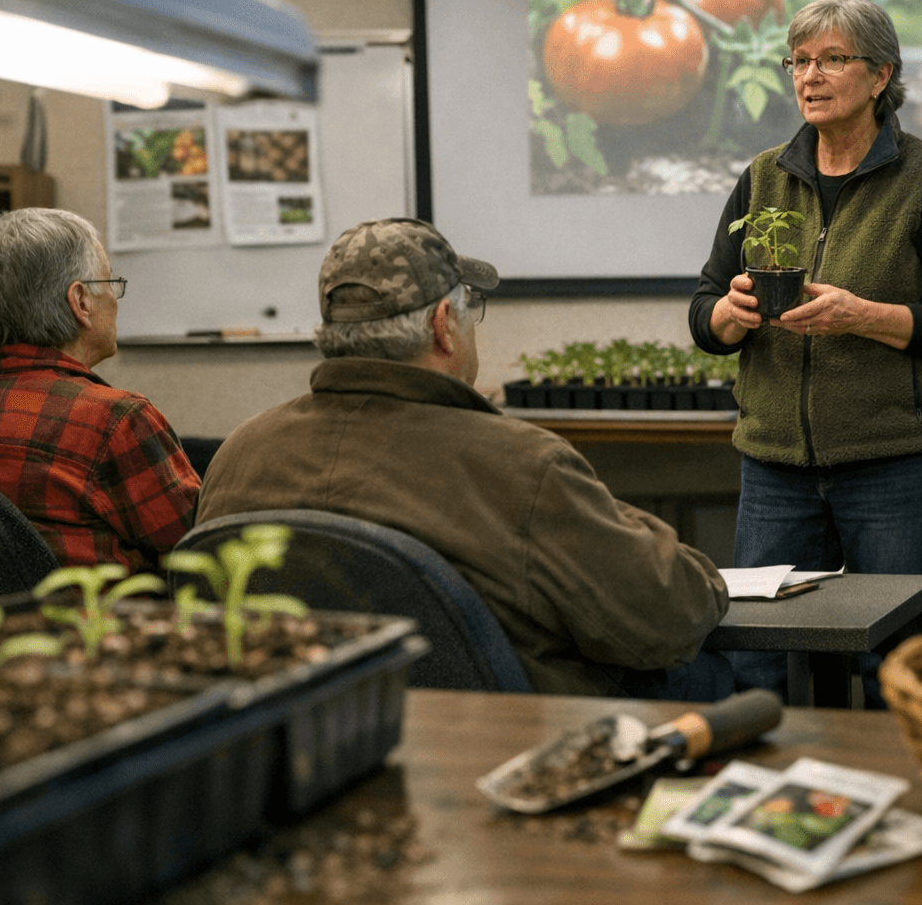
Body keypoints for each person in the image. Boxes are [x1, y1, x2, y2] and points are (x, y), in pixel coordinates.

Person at [197, 217, 732, 698]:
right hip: (510, 750)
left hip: (305, 755)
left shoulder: (240, 453)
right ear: (442, 325)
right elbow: (671, 615)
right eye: (470, 308)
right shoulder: (521, 464)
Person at [688, 0, 922, 707]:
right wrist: (728, 317)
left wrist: (866, 316)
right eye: (799, 61)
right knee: (766, 660)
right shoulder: (763, 176)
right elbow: (703, 307)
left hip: (901, 465)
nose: (811, 76)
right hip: (776, 468)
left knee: (897, 665)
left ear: (881, 75)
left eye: (833, 59)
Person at [0, 208, 200, 572]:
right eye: (110, 283)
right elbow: (205, 551)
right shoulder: (117, 422)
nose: (115, 299)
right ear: (81, 301)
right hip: (92, 626)